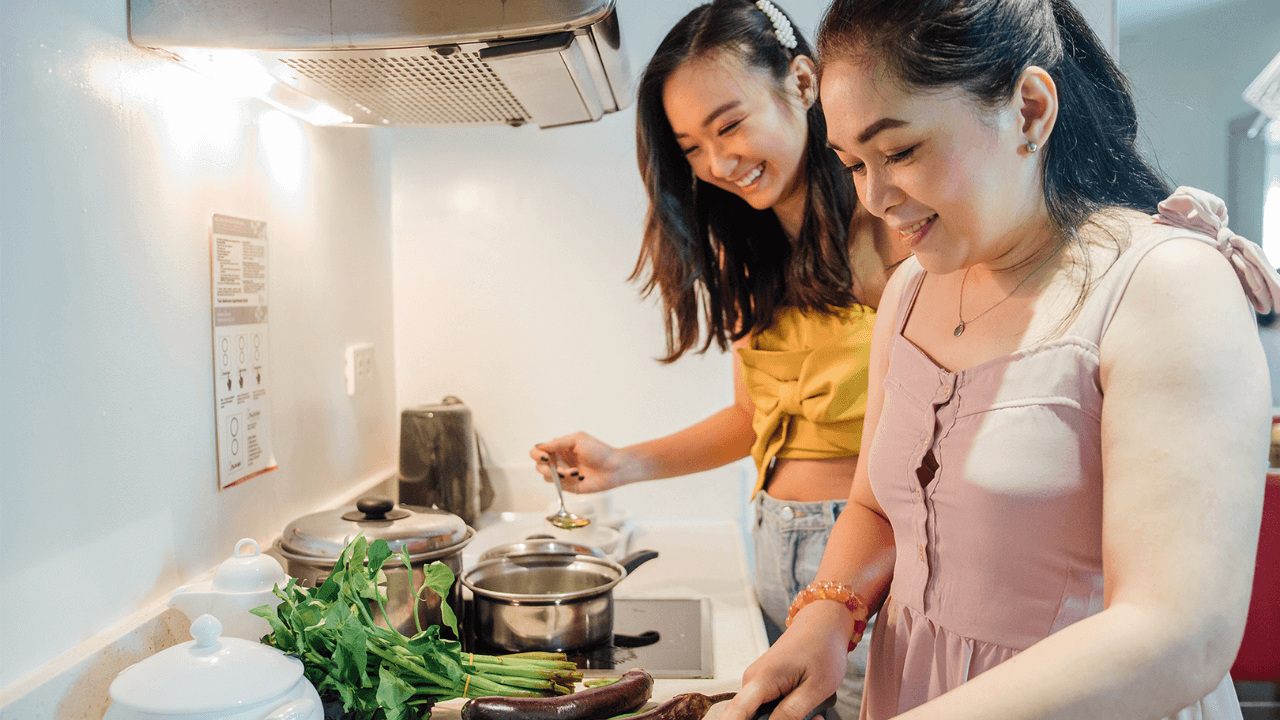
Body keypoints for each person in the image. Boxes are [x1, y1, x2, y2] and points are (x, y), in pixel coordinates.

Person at [718, 0, 1280, 718]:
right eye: (853, 163)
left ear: (1030, 109)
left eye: (900, 152)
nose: (876, 197)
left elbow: (1179, 636)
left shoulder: (1165, 286)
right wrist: (826, 614)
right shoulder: (912, 290)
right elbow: (878, 506)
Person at [529, 0, 903, 714]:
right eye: (692, 146)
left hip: (865, 566)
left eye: (729, 125)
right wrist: (623, 464)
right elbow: (752, 416)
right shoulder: (747, 249)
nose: (718, 163)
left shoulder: (888, 234)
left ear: (801, 82)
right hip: (771, 539)